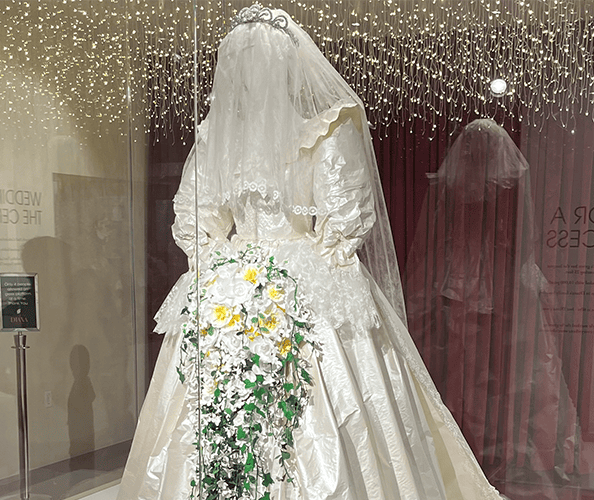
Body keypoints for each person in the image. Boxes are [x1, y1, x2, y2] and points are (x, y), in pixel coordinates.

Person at [119, 5, 505, 499]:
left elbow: (199, 222)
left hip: (232, 280)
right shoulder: (278, 132)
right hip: (295, 271)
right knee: (321, 395)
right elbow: (342, 216)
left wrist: (223, 262)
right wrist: (303, 255)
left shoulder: (272, 133)